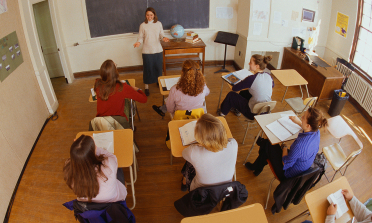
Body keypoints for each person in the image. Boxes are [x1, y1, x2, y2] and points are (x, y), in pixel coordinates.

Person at [245, 107, 328, 181]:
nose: (301, 117)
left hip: (287, 175)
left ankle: (258, 160)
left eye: (304, 117)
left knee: (269, 144)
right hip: (300, 166)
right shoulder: (316, 132)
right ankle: (257, 166)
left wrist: (284, 147)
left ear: (308, 125)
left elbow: (285, 162)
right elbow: (306, 129)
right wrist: (298, 122)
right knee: (267, 147)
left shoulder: (300, 146)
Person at [181, 114, 238, 191]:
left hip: (200, 192)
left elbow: (184, 154)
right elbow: (226, 141)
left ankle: (185, 182)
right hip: (224, 189)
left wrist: (199, 145)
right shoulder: (234, 143)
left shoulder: (193, 152)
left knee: (189, 162)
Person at [63, 135, 127, 203]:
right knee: (119, 168)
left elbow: (78, 160)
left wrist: (80, 151)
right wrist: (95, 148)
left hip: (89, 207)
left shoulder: (68, 170)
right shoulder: (107, 165)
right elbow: (113, 158)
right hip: (113, 202)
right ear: (93, 152)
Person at [92, 59, 147, 130]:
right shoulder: (122, 87)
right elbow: (144, 99)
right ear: (115, 71)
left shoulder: (97, 83)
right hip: (117, 123)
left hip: (100, 123)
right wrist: (137, 89)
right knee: (127, 103)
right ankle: (129, 125)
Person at [219, 54, 274, 119]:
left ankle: (221, 114)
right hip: (266, 110)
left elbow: (234, 88)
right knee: (244, 93)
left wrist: (245, 81)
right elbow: (272, 85)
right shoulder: (268, 75)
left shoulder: (251, 78)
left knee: (231, 95)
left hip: (253, 113)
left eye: (251, 62)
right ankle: (237, 110)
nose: (249, 63)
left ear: (257, 66)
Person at [133, 7, 169, 96]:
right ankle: (146, 87)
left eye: (151, 15)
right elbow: (140, 37)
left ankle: (158, 81)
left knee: (158, 68)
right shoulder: (143, 25)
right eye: (148, 15)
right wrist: (138, 42)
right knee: (147, 69)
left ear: (154, 15)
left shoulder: (159, 24)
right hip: (147, 51)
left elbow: (161, 35)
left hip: (158, 50)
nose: (149, 17)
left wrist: (164, 38)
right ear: (146, 15)